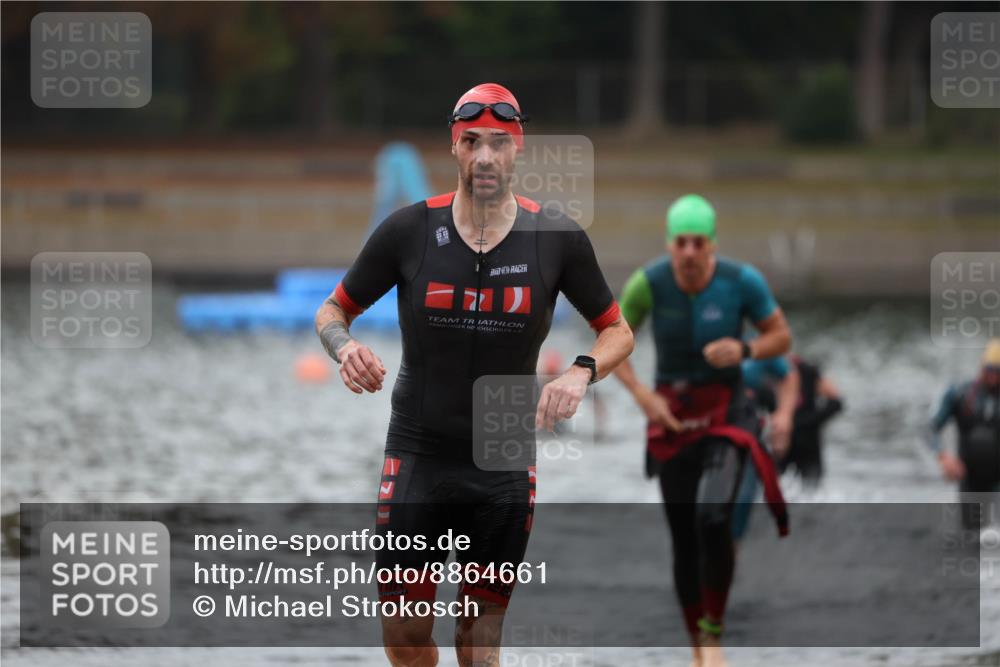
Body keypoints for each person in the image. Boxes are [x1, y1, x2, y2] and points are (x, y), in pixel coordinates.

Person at [315, 83, 634, 667]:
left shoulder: (556, 238)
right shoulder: (409, 230)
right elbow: (333, 310)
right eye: (472, 143)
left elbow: (617, 331)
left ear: (518, 149)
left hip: (502, 465)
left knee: (478, 640)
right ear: (454, 148)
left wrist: (580, 373)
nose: (485, 157)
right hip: (418, 453)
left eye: (498, 143)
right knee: (405, 636)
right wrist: (344, 348)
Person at [614, 193, 791, 667]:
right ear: (669, 244)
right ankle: (697, 642)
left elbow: (782, 336)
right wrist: (642, 396)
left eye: (698, 242)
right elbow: (612, 342)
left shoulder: (741, 281)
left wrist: (745, 350)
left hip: (725, 414)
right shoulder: (647, 284)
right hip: (671, 416)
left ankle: (713, 631)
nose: (689, 252)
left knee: (712, 518)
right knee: (683, 537)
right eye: (681, 243)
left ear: (712, 244)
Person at [928, 338, 1000, 530]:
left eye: (999, 372)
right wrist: (944, 457)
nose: (994, 377)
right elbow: (930, 429)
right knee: (972, 534)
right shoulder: (960, 393)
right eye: (990, 370)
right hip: (969, 477)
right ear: (982, 367)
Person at [730, 353, 799, 542]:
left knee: (743, 498)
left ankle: (731, 548)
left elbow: (789, 376)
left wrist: (784, 416)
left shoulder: (760, 348)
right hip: (709, 431)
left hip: (749, 438)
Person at [779, 355, 843, 484]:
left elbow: (836, 403)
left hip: (808, 443)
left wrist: (804, 422)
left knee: (811, 487)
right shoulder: (764, 368)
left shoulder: (807, 370)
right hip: (780, 444)